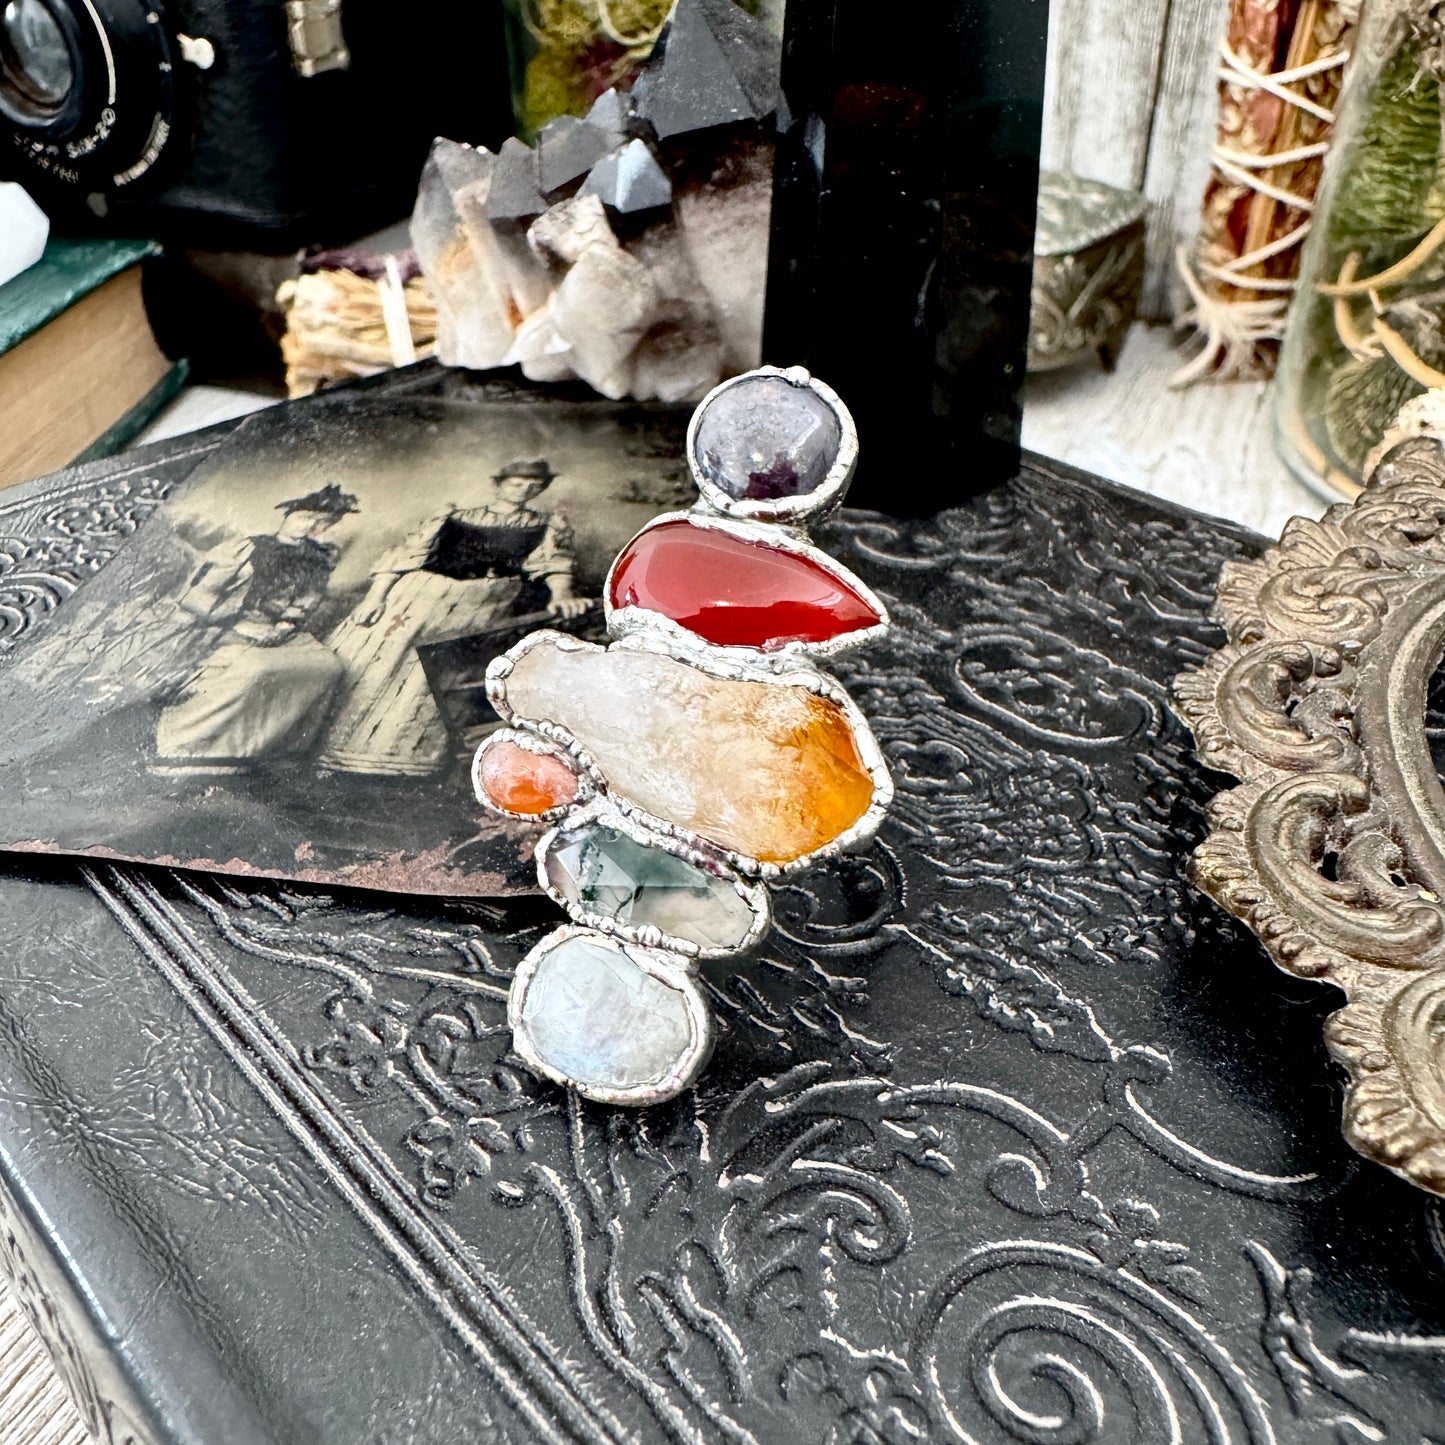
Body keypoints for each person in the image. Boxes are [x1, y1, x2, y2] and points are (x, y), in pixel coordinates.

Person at [318, 459, 586, 777]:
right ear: (497, 485)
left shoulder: (545, 524)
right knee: (384, 661)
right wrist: (375, 598)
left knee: (441, 668)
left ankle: (410, 761)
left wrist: (562, 594)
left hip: (486, 601)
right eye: (516, 483)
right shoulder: (455, 517)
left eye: (533, 486)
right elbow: (404, 557)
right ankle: (342, 755)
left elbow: (554, 565)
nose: (524, 490)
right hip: (424, 595)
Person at [153, 484, 358, 772]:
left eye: (322, 523)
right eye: (305, 517)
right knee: (258, 669)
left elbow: (306, 600)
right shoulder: (247, 549)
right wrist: (243, 625)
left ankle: (268, 746)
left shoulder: (317, 560)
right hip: (222, 627)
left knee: (328, 666)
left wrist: (287, 623)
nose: (311, 526)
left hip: (277, 631)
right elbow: (197, 597)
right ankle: (187, 741)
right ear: (287, 515)